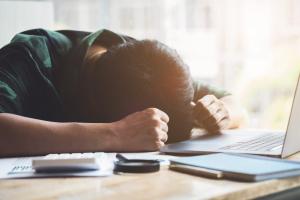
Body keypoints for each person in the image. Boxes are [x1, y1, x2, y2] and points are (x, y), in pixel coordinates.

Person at [0, 29, 246, 157]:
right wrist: (114, 134)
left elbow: (231, 101)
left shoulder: (147, 63)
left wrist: (223, 113)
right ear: (93, 109)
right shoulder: (27, 57)